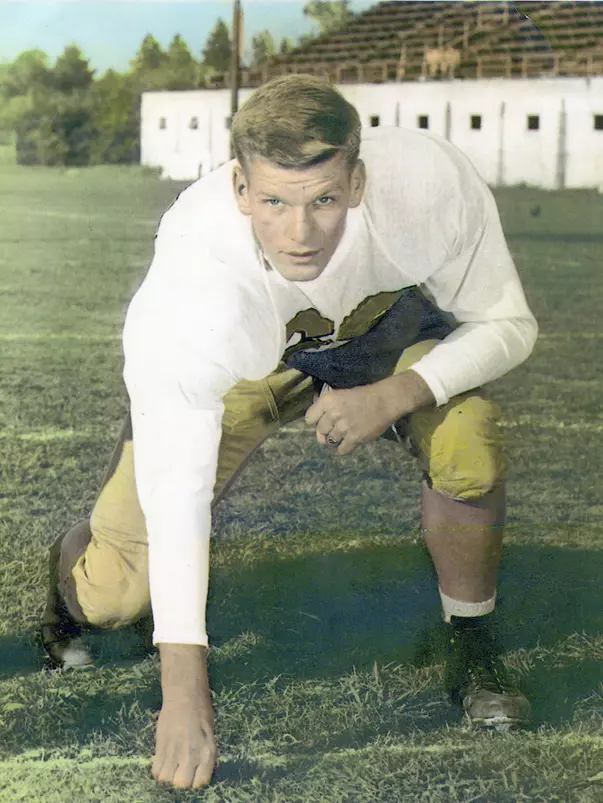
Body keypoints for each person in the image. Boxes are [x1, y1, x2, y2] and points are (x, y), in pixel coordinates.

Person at [40, 74, 537, 790]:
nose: (300, 233)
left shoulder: (424, 183)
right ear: (240, 188)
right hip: (251, 358)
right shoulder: (196, 271)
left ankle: (471, 638)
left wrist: (394, 393)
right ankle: (69, 561)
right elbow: (179, 489)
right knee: (112, 595)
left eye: (323, 200)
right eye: (274, 201)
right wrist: (184, 691)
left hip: (383, 337)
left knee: (468, 441)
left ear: (357, 181)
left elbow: (507, 322)